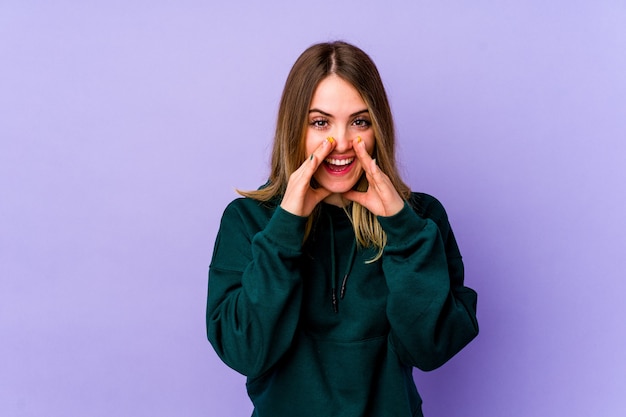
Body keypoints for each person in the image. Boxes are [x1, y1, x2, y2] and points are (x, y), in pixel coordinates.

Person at [206, 41, 479, 417]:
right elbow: (246, 351)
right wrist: (285, 228)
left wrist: (404, 230)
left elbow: (432, 348)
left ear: (377, 128)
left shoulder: (421, 219)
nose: (341, 143)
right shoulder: (248, 220)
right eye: (321, 123)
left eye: (359, 122)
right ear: (295, 129)